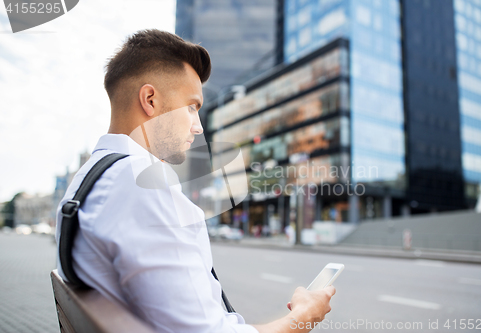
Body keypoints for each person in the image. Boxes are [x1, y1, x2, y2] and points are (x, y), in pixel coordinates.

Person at [55, 29, 336, 333]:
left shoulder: (88, 179)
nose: (199, 127)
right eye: (191, 107)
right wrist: (303, 318)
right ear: (150, 100)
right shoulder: (143, 185)